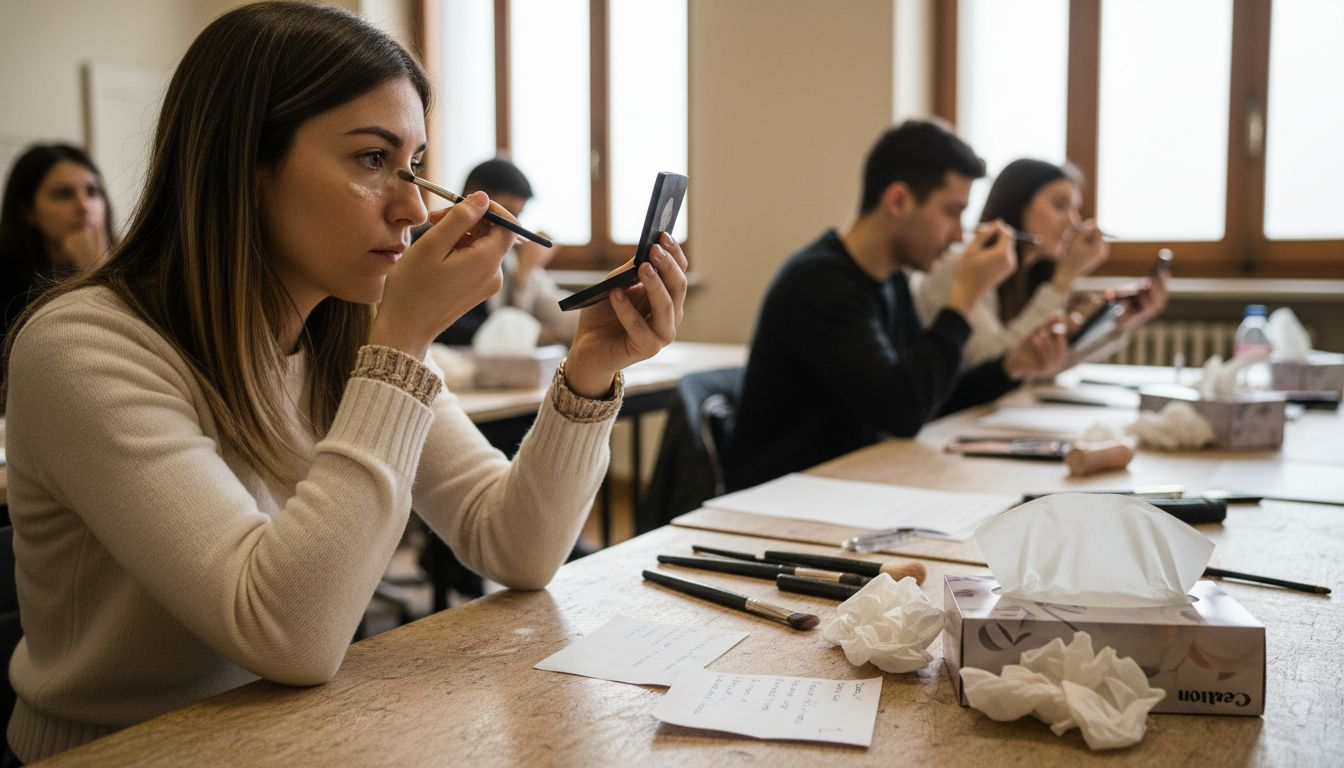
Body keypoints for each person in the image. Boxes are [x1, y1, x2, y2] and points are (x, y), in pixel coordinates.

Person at [0, 3, 687, 764]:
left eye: (415, 166)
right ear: (244, 163)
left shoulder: (346, 327)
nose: (414, 207)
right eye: (371, 159)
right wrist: (403, 342)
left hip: (287, 739)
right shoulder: (84, 346)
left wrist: (589, 372)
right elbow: (285, 634)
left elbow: (515, 545)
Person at [725, 120, 1067, 492]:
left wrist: (1011, 367)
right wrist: (963, 297)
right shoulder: (819, 284)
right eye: (951, 212)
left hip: (849, 484)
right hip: (784, 497)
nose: (958, 234)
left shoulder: (892, 282)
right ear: (898, 201)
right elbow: (902, 412)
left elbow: (930, 396)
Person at [913, 158, 1167, 367]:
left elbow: (1045, 365)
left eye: (1075, 210)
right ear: (1018, 204)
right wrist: (1063, 281)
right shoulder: (962, 266)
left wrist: (1118, 322)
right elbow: (995, 365)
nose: (1073, 222)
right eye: (1060, 205)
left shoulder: (1032, 276)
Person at [435, 158, 578, 346]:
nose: (514, 226)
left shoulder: (511, 254)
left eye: (517, 216)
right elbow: (494, 333)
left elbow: (557, 308)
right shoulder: (440, 249)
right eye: (506, 214)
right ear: (475, 199)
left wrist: (527, 271)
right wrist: (524, 274)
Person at [0, 143, 114, 348]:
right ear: (28, 211)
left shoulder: (137, 265)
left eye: (92, 191)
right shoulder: (7, 285)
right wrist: (93, 272)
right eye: (63, 194)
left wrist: (97, 267)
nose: (84, 206)